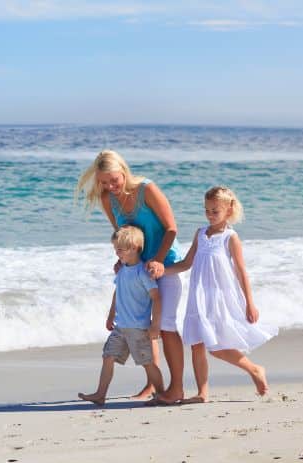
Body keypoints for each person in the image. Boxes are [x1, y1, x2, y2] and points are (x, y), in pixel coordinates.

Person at [76, 150, 185, 403]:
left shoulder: (147, 189)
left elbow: (171, 228)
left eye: (114, 180)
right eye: (104, 182)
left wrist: (158, 260)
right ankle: (152, 387)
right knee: (143, 326)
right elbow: (123, 233)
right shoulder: (107, 198)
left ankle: (176, 388)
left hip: (164, 263)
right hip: (137, 269)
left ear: (124, 172)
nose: (110, 186)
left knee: (165, 327)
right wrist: (121, 260)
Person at [162, 186, 276, 402]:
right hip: (198, 297)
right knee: (196, 344)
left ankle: (255, 370)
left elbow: (241, 272)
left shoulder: (230, 237)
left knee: (216, 347)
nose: (210, 215)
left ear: (228, 210)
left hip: (219, 298)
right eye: (207, 210)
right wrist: (162, 270)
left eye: (215, 211)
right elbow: (187, 263)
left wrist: (250, 303)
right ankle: (202, 393)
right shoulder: (201, 234)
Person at [78, 226, 165, 405]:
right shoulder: (123, 270)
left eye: (120, 249)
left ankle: (162, 394)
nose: (117, 253)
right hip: (120, 326)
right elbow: (117, 292)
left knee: (147, 363)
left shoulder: (143, 272)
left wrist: (155, 325)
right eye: (115, 249)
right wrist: (111, 315)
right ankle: (100, 394)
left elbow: (156, 298)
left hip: (138, 328)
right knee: (108, 356)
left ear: (134, 247)